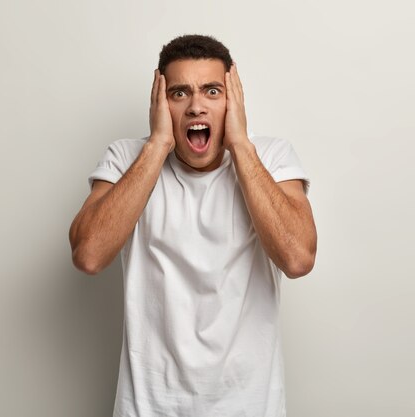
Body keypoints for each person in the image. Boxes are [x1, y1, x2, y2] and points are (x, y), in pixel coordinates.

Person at [69, 34, 317, 417]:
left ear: (233, 99)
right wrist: (157, 145)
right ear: (159, 101)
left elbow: (298, 258)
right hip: (147, 408)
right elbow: (88, 254)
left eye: (212, 91)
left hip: (250, 408)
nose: (196, 107)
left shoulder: (271, 157)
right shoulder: (127, 158)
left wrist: (240, 145)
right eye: (180, 94)